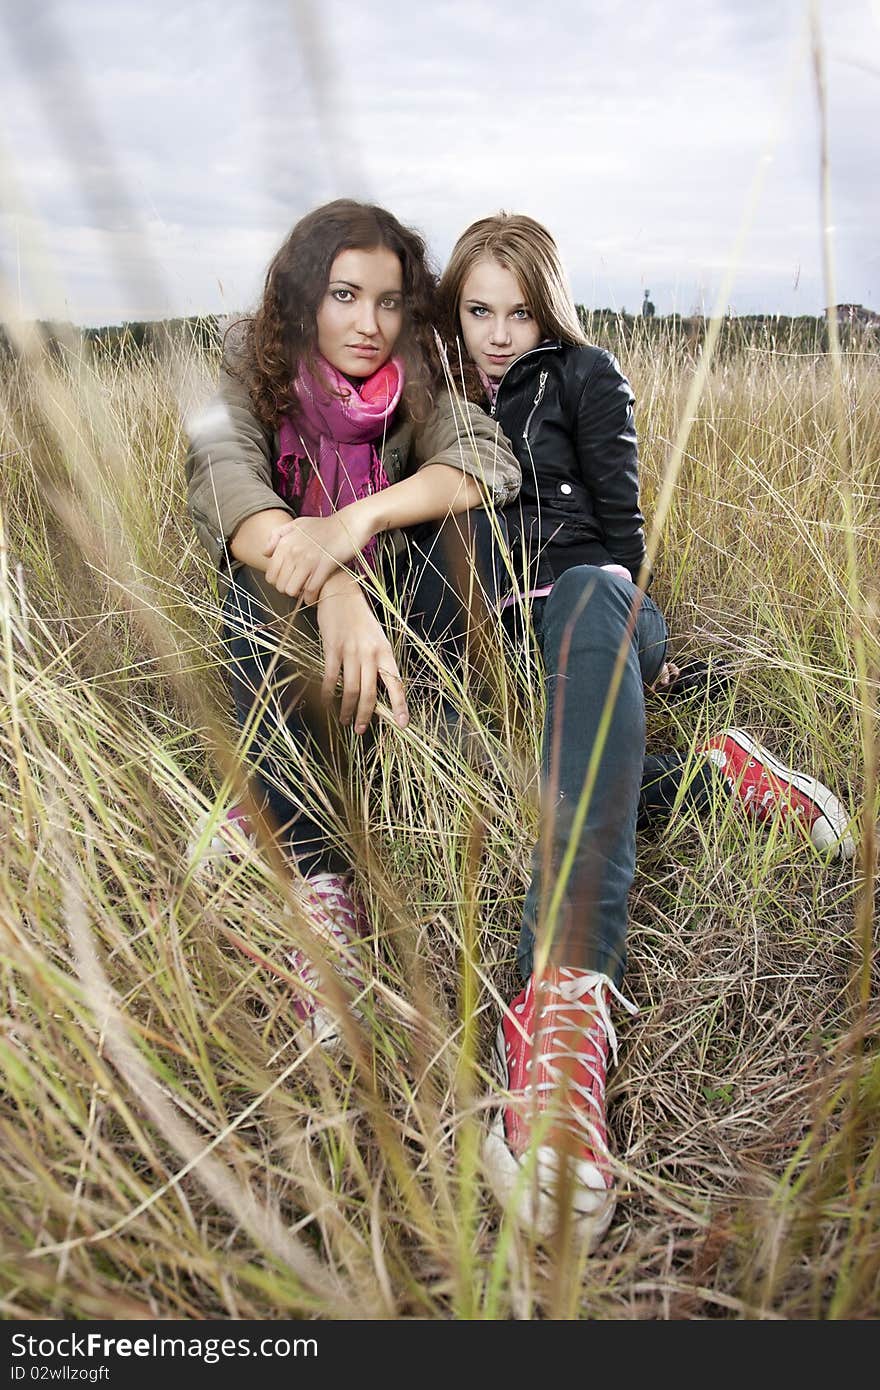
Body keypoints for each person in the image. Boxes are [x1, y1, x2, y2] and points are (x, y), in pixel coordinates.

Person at [436, 212, 855, 1248]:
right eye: (478, 310)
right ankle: (711, 778)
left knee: (584, 596)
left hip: (595, 602)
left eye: (518, 308)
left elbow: (622, 531)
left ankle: (562, 1002)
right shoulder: (431, 401)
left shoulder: (583, 373)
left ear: (548, 302)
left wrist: (628, 628)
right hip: (500, 643)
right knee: (521, 760)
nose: (498, 332)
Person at [185, 199, 522, 1047]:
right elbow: (225, 485)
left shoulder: (421, 370)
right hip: (292, 639)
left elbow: (487, 462)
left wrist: (355, 521)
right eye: (344, 295)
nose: (369, 324)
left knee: (466, 536)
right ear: (303, 296)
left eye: (390, 300)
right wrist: (332, 578)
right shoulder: (235, 360)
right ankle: (320, 885)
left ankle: (295, 783)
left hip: (406, 639)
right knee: (259, 578)